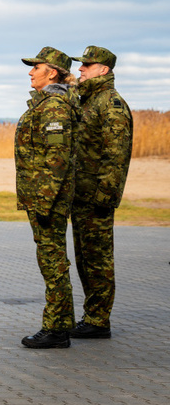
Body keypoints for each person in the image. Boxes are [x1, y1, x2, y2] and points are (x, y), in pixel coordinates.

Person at [16, 47, 79, 349]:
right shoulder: (47, 104)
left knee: (53, 262)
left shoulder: (54, 107)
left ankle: (56, 329)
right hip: (43, 196)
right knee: (51, 261)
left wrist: (44, 200)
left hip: (48, 199)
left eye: (36, 67)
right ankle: (60, 325)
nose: (30, 72)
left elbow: (57, 158)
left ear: (51, 72)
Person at [68, 46, 133, 339]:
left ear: (103, 70)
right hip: (81, 195)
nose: (81, 69)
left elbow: (116, 156)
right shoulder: (88, 99)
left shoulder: (111, 103)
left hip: (96, 197)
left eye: (87, 65)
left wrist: (104, 198)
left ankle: (98, 320)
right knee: (84, 257)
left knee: (98, 258)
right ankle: (91, 315)